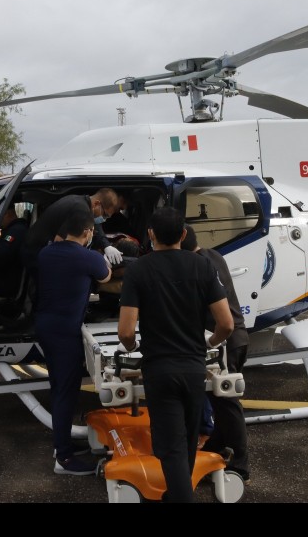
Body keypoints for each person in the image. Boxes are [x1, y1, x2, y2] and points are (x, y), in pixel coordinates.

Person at [117, 207, 233, 502]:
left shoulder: (139, 270)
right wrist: (210, 343)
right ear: (183, 234)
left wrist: (132, 348)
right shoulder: (203, 266)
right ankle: (175, 494)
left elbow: (126, 331)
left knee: (171, 448)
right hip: (193, 367)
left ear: (150, 234)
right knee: (188, 442)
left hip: (159, 368)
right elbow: (226, 324)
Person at [36, 209, 112, 475]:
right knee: (66, 391)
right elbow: (105, 276)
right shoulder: (88, 257)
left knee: (58, 387)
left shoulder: (45, 253)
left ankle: (62, 444)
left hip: (45, 326)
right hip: (65, 332)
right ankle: (64, 459)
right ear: (88, 232)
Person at [181, 224, 250, 483]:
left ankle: (242, 463)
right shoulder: (213, 255)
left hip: (224, 341)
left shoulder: (199, 266)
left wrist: (210, 341)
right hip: (237, 337)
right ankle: (217, 444)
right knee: (218, 398)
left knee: (227, 401)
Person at [22, 188, 123, 275]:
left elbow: (95, 226)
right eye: (105, 215)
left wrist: (106, 246)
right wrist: (95, 260)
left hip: (39, 249)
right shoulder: (80, 211)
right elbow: (61, 244)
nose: (104, 219)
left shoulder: (80, 202)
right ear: (97, 204)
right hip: (36, 252)